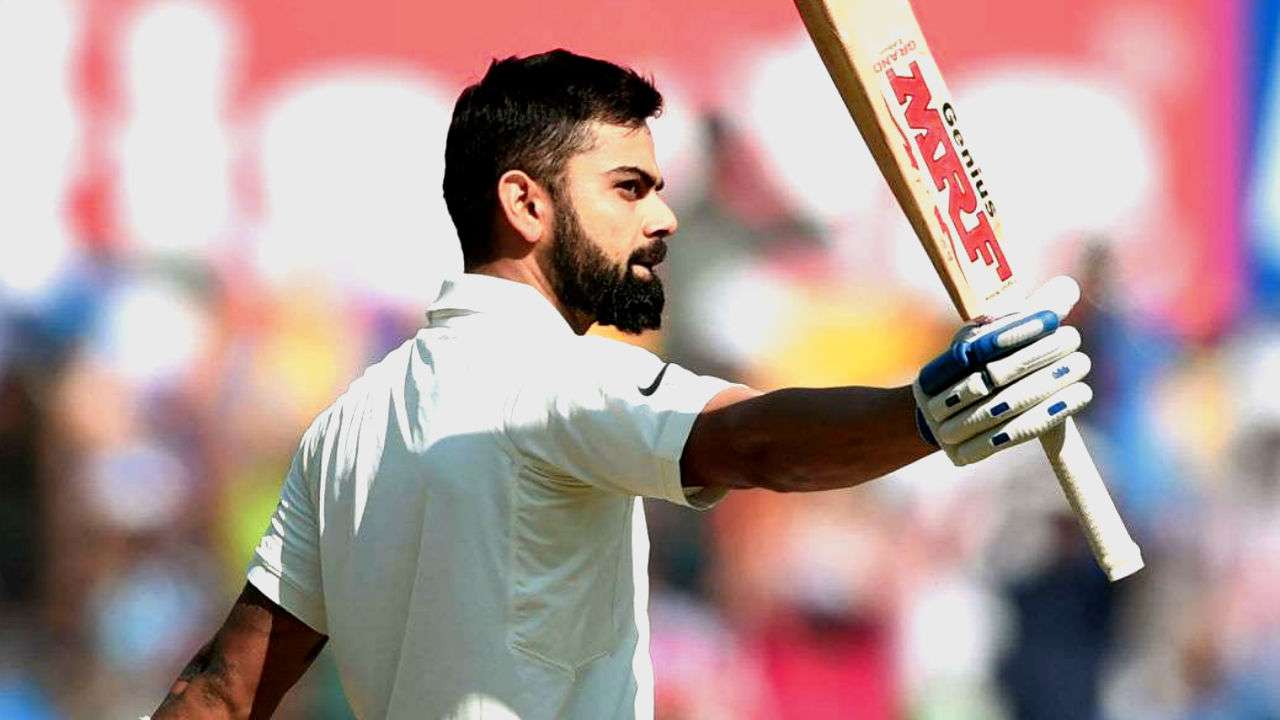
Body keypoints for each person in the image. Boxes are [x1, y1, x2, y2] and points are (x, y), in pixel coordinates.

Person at [149, 49, 1094, 719]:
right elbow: (750, 443)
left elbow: (222, 693)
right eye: (630, 189)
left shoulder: (346, 426)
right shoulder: (556, 380)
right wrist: (928, 414)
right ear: (526, 203)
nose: (666, 217)